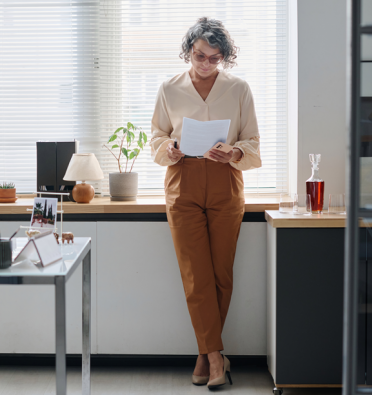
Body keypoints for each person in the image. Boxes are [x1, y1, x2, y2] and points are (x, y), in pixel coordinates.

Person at [150, 17, 262, 390]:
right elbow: (156, 138)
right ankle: (216, 357)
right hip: (183, 180)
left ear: (224, 58)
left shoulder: (239, 88)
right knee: (195, 274)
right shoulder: (169, 88)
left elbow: (253, 145)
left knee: (220, 274)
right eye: (200, 55)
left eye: (215, 58)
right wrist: (168, 148)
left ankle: (204, 352)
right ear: (189, 51)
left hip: (225, 182)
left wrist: (233, 153)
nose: (206, 63)